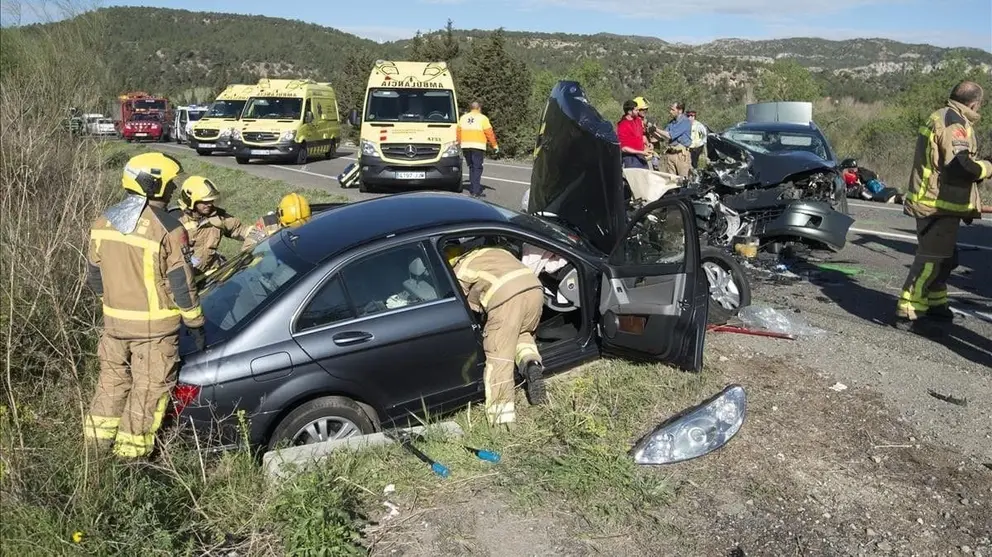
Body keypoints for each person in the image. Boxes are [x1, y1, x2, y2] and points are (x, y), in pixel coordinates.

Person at [84, 152, 205, 459]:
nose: (173, 190)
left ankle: (94, 452)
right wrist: (195, 323)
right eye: (169, 184)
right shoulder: (169, 228)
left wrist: (113, 305)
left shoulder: (104, 221)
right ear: (154, 185)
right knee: (149, 390)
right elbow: (181, 284)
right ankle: (131, 459)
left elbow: (94, 277)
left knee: (111, 384)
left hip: (113, 326)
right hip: (155, 330)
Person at [896, 80, 992, 331]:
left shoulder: (945, 117)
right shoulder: (953, 123)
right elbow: (959, 165)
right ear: (974, 103)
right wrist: (987, 168)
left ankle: (936, 302)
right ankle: (910, 307)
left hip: (939, 203)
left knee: (946, 258)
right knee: (932, 258)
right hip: (936, 204)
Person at [444, 243, 547, 427]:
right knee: (521, 333)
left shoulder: (460, 269)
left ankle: (502, 417)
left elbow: (458, 301)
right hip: (535, 289)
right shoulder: (495, 250)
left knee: (499, 355)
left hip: (507, 299)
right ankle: (531, 363)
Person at [175, 176, 251, 276]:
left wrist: (263, 230)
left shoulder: (217, 217)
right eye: (205, 202)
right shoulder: (176, 221)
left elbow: (241, 229)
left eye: (211, 201)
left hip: (214, 273)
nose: (210, 204)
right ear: (190, 201)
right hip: (189, 278)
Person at [457, 101, 499, 198]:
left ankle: (473, 188)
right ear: (479, 108)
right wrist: (495, 145)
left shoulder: (463, 118)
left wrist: (459, 143)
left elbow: (458, 131)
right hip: (478, 146)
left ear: (470, 108)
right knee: (477, 168)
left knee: (471, 167)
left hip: (466, 146)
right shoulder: (483, 118)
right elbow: (489, 133)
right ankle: (476, 191)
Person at [242, 193, 312, 251]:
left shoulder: (314, 224)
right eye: (288, 226)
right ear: (279, 214)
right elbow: (247, 250)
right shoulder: (266, 224)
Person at [655, 102, 693, 177]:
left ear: (680, 110)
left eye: (673, 109)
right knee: (671, 181)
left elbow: (670, 135)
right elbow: (663, 136)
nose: (670, 111)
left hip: (681, 155)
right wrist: (652, 131)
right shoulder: (671, 123)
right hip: (671, 153)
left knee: (683, 180)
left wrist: (656, 129)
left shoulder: (685, 121)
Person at [618, 100, 649, 169]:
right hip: (631, 159)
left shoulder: (638, 120)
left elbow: (641, 136)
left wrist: (648, 145)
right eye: (636, 110)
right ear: (629, 112)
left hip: (641, 157)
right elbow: (624, 148)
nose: (638, 111)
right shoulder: (623, 125)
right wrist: (641, 152)